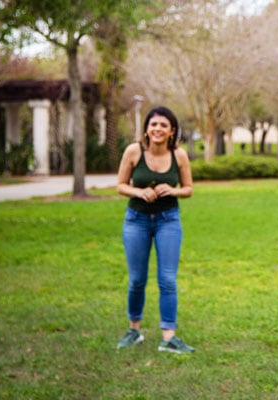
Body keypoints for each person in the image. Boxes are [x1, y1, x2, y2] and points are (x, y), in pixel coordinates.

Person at [115, 105, 195, 354]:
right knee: (137, 279)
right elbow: (120, 185)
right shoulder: (133, 151)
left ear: (172, 131)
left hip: (168, 220)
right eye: (154, 124)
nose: (157, 128)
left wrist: (173, 191)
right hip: (136, 220)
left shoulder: (179, 155)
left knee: (168, 280)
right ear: (147, 129)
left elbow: (189, 188)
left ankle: (168, 337)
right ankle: (134, 330)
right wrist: (139, 191)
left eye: (163, 125)